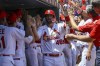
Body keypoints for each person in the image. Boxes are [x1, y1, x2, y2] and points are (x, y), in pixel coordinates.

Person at [65, 0, 100, 66]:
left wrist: (73, 36)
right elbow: (76, 27)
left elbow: (90, 39)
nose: (83, 12)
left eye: (85, 11)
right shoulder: (91, 21)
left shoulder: (94, 22)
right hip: (83, 47)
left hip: (91, 48)